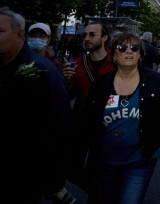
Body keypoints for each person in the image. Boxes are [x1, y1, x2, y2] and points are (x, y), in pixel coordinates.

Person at [0, 8, 72, 203]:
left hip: (18, 182)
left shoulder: (42, 72)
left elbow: (59, 128)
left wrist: (53, 178)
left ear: (19, 35)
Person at [81, 32, 160, 204]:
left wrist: (156, 144)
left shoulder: (154, 80)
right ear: (113, 55)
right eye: (122, 48)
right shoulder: (101, 84)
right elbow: (88, 121)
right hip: (106, 161)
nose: (129, 51)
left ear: (140, 54)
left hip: (140, 160)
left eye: (134, 48)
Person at [63, 22, 115, 194]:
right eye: (85, 35)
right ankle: (98, 192)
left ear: (104, 38)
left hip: (107, 125)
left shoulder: (115, 63)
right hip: (80, 124)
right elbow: (69, 96)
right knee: (72, 170)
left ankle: (98, 194)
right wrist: (68, 81)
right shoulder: (76, 64)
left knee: (98, 170)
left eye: (92, 35)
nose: (87, 38)